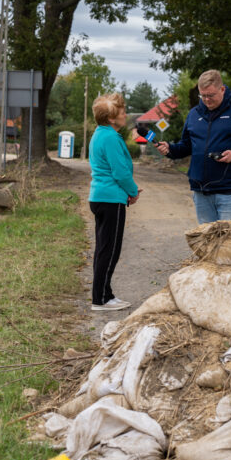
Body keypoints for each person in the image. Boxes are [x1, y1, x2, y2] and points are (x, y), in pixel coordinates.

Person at [157, 70, 231, 223]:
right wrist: (170, 149)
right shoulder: (193, 114)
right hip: (201, 191)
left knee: (229, 238)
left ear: (222, 89)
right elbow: (186, 146)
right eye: (203, 96)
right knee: (206, 238)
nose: (207, 100)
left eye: (211, 95)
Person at [88, 93, 140, 311]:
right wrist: (133, 191)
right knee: (110, 250)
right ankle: (101, 299)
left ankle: (105, 294)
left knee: (104, 248)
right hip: (111, 199)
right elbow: (120, 172)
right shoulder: (110, 137)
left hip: (100, 196)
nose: (125, 115)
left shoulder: (100, 134)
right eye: (122, 112)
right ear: (111, 118)